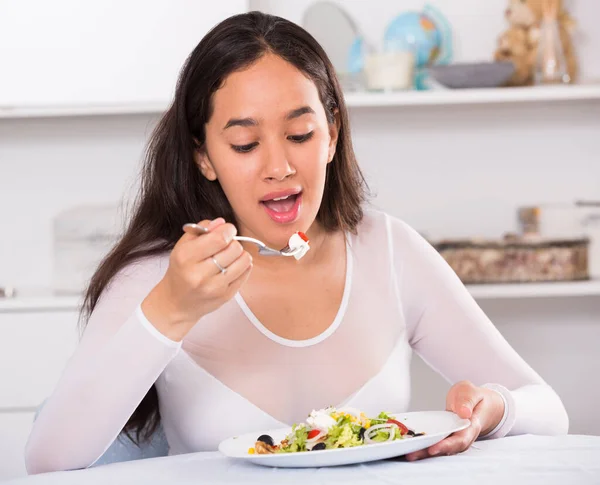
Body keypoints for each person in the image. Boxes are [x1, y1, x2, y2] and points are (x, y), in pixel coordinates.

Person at [25, 11, 568, 474]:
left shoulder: (389, 251)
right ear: (204, 156)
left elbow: (549, 411)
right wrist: (169, 311)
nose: (279, 167)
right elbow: (47, 462)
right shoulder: (159, 278)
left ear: (331, 134)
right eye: (244, 143)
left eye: (300, 134)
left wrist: (492, 409)